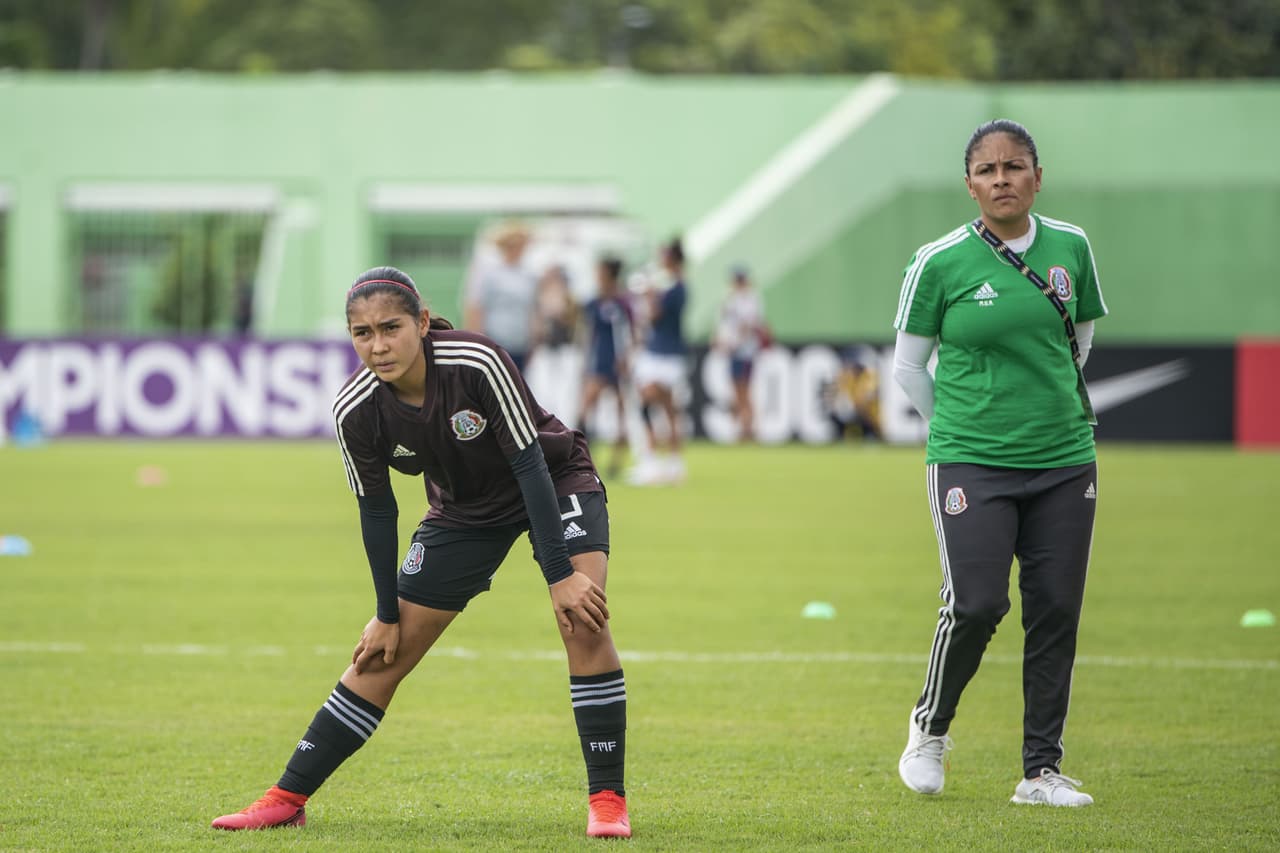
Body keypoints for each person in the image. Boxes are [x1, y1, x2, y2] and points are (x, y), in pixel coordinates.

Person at [211, 267, 631, 838]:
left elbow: (530, 462)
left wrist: (560, 575)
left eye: (391, 328)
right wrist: (386, 613)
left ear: (423, 323)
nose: (378, 346)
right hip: (464, 510)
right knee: (381, 653)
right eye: (362, 333)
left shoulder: (476, 361)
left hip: (553, 480)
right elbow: (377, 513)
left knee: (582, 618)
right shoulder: (356, 409)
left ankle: (607, 801)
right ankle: (286, 798)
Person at [891, 119, 1107, 807]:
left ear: (1037, 177)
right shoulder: (939, 261)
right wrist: (958, 428)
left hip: (1064, 459)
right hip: (970, 462)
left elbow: (1078, 344)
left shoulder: (1071, 247)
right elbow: (908, 367)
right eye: (987, 170)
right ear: (970, 185)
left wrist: (1040, 410)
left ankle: (1041, 771)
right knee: (976, 603)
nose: (1002, 179)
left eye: (1014, 167)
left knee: (1056, 611)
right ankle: (929, 728)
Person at [628, 237, 688, 486]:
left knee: (653, 402)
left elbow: (654, 316)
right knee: (665, 406)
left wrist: (650, 295)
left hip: (665, 354)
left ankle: (655, 462)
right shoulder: (674, 285)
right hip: (660, 352)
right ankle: (670, 462)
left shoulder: (675, 287)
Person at [579, 255, 635, 480]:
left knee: (621, 411)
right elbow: (586, 332)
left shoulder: (623, 303)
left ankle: (616, 460)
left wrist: (628, 358)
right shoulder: (593, 302)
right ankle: (585, 459)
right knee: (586, 408)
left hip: (618, 362)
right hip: (599, 361)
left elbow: (633, 332)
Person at [464, 222, 539, 373]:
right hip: (495, 341)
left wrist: (534, 341)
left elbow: (532, 309)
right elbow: (476, 308)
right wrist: (476, 340)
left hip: (520, 343)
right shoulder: (490, 274)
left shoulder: (529, 276)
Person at [713, 265, 767, 442]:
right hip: (734, 351)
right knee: (736, 391)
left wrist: (733, 342)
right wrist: (722, 341)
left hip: (745, 352)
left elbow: (749, 325)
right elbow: (723, 324)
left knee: (744, 391)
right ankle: (743, 427)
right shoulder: (730, 299)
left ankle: (749, 428)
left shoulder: (751, 299)